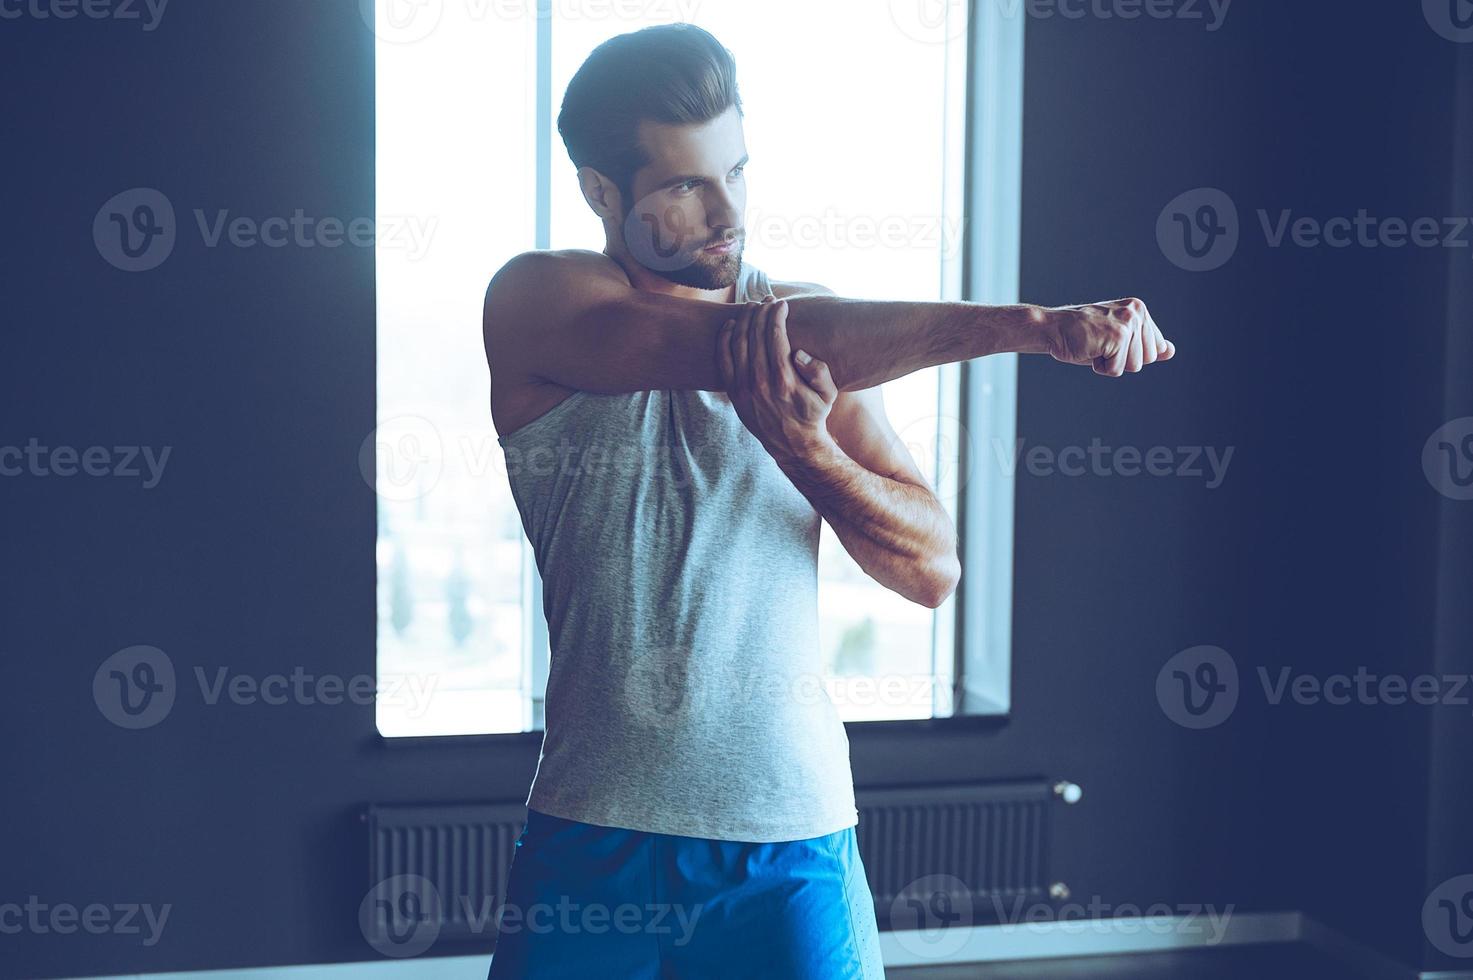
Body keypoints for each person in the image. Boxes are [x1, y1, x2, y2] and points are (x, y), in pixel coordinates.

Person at [481, 22, 1174, 980]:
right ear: (603, 192)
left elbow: (933, 572)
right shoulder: (539, 302)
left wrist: (807, 450)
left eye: (737, 169)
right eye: (684, 185)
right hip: (592, 832)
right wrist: (1035, 328)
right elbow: (737, 342)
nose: (727, 210)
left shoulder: (825, 337)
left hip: (789, 833)